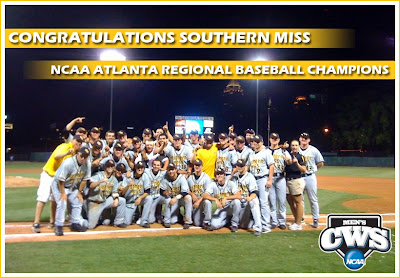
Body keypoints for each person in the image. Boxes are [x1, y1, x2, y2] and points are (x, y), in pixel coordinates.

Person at [32, 134, 83, 233]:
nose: (78, 144)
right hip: (48, 175)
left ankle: (53, 222)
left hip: (57, 178)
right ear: (73, 141)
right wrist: (66, 153)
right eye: (77, 141)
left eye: (80, 143)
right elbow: (56, 156)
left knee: (55, 199)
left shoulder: (75, 153)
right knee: (43, 198)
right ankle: (36, 223)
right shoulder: (65, 146)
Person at [50, 146, 91, 236]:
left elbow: (85, 179)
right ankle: (58, 225)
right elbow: (61, 179)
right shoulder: (68, 163)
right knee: (62, 202)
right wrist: (62, 193)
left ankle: (75, 223)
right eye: (81, 156)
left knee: (78, 200)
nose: (83, 158)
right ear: (78, 154)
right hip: (58, 185)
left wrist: (80, 192)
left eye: (85, 157)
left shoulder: (87, 164)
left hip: (71, 186)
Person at [87, 159, 127, 229]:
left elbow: (115, 192)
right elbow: (90, 185)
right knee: (90, 226)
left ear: (114, 168)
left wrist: (116, 199)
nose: (110, 167)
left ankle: (118, 222)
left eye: (112, 166)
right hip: (94, 203)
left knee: (121, 200)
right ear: (105, 166)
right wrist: (100, 181)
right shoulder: (98, 175)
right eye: (108, 166)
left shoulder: (114, 179)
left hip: (104, 202)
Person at [247, 135, 275, 233]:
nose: (255, 143)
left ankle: (266, 224)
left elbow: (271, 166)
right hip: (253, 179)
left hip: (262, 178)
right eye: (254, 141)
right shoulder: (251, 153)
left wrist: (270, 180)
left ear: (262, 142)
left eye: (257, 141)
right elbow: (248, 166)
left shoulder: (267, 152)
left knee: (264, 202)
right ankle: (257, 222)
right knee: (254, 202)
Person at [298, 132, 324, 228]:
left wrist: (314, 169)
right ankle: (301, 217)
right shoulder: (296, 150)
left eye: (306, 138)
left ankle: (315, 219)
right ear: (300, 139)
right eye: (302, 138)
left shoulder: (313, 150)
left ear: (309, 140)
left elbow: (320, 162)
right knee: (300, 199)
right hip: (299, 176)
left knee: (313, 199)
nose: (304, 139)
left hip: (310, 176)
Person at [266, 132, 292, 230]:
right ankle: (274, 221)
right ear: (270, 139)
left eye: (276, 138)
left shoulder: (283, 151)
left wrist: (288, 160)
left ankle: (281, 221)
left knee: (281, 200)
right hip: (270, 178)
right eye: (272, 138)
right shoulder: (265, 150)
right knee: (272, 201)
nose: (274, 140)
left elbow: (289, 162)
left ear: (278, 140)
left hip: (280, 177)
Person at [203, 168, 241, 232]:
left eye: (221, 174)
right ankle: (227, 221)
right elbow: (205, 195)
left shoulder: (230, 183)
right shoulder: (213, 184)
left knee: (237, 201)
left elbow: (239, 195)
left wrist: (226, 198)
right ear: (216, 176)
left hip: (230, 207)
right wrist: (215, 199)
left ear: (224, 175)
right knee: (214, 225)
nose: (219, 175)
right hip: (221, 209)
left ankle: (234, 224)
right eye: (218, 174)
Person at [231, 159, 262, 236]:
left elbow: (254, 192)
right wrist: (232, 174)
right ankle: (234, 224)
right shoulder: (234, 177)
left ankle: (257, 228)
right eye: (238, 166)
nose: (239, 167)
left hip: (246, 204)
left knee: (254, 201)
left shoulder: (250, 176)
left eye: (241, 166)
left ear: (245, 166)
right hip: (237, 204)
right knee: (236, 201)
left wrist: (250, 198)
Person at [119, 161, 152, 227]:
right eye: (138, 167)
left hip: (139, 199)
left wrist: (140, 198)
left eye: (142, 168)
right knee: (126, 222)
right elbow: (122, 193)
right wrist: (128, 185)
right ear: (135, 168)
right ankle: (135, 215)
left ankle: (144, 221)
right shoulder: (128, 176)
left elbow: (147, 191)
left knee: (149, 198)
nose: (140, 169)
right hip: (130, 202)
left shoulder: (145, 176)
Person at [160, 162, 193, 229]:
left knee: (188, 198)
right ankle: (169, 220)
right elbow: (161, 190)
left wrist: (176, 198)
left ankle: (187, 221)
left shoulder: (181, 178)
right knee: (173, 221)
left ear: (176, 170)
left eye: (172, 169)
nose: (171, 171)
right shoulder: (166, 178)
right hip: (172, 201)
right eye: (169, 170)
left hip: (181, 199)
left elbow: (185, 192)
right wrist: (165, 193)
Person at [285, 140, 307, 231]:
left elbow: (304, 170)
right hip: (287, 181)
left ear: (299, 146)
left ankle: (298, 223)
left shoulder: (301, 157)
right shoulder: (287, 156)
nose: (294, 147)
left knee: (298, 202)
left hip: (297, 180)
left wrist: (297, 163)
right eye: (293, 145)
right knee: (290, 202)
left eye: (296, 145)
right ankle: (297, 219)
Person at [187, 159, 213, 228]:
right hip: (194, 202)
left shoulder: (206, 177)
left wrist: (198, 201)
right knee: (197, 223)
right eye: (196, 165)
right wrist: (192, 195)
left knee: (207, 202)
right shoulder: (190, 177)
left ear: (202, 166)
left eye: (199, 165)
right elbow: (186, 189)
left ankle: (207, 222)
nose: (197, 167)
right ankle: (197, 215)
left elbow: (207, 193)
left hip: (203, 200)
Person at [145, 159, 166, 224]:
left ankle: (166, 218)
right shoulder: (146, 171)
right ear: (152, 165)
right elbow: (136, 168)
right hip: (149, 196)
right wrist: (129, 171)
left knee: (168, 200)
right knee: (150, 220)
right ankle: (143, 215)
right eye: (154, 165)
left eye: (158, 165)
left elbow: (174, 171)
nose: (156, 166)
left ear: (160, 166)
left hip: (158, 196)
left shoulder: (163, 172)